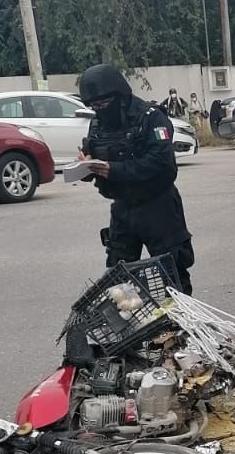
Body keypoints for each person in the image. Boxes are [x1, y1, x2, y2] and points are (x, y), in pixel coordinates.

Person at [76, 64, 195, 293]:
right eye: (93, 106)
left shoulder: (151, 118)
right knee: (118, 283)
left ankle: (179, 328)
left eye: (103, 104)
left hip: (158, 208)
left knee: (172, 278)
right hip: (123, 209)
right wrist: (86, 165)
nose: (99, 110)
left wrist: (115, 170)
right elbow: (95, 157)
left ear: (119, 96)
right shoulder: (98, 124)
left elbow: (161, 163)